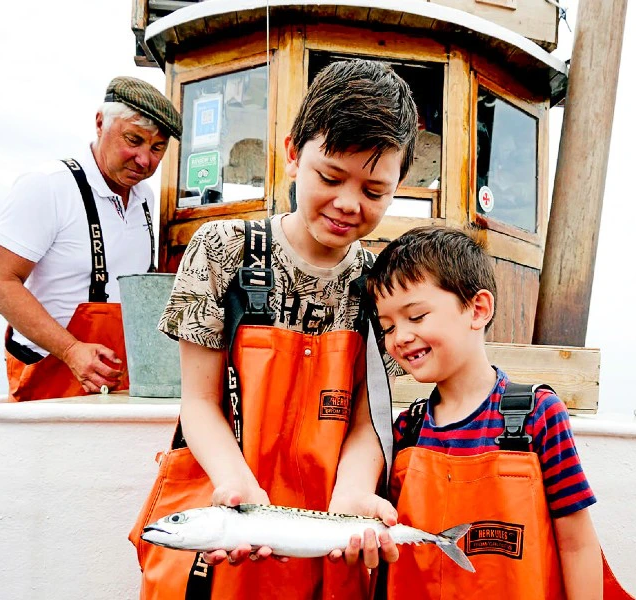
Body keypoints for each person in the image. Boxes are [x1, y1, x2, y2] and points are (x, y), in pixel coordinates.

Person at [129, 59, 419, 599]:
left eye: (375, 191)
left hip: (325, 543)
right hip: (226, 515)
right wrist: (236, 487)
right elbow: (199, 403)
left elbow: (368, 419)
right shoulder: (221, 251)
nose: (348, 203)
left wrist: (355, 491)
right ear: (292, 153)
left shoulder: (380, 286)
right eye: (330, 177)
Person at [366, 226, 632, 600]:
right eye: (388, 327)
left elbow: (576, 544)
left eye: (417, 316)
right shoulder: (407, 429)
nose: (400, 337)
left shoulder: (538, 414)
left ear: (478, 309)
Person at [0, 76, 182, 401]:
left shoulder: (147, 199)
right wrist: (72, 350)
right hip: (48, 380)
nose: (145, 160)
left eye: (157, 148)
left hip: (116, 383)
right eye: (133, 140)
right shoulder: (47, 186)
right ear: (100, 123)